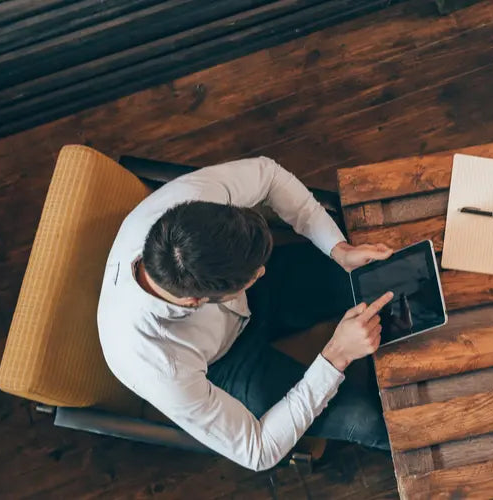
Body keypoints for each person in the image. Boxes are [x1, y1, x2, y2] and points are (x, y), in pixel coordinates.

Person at [96, 156, 395, 471]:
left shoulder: (188, 204)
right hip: (222, 366)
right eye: (255, 272)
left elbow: (269, 175)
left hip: (251, 296)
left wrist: (338, 249)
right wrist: (336, 356)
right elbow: (258, 451)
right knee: (367, 420)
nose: (263, 270)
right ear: (195, 302)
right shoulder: (158, 365)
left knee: (381, 274)